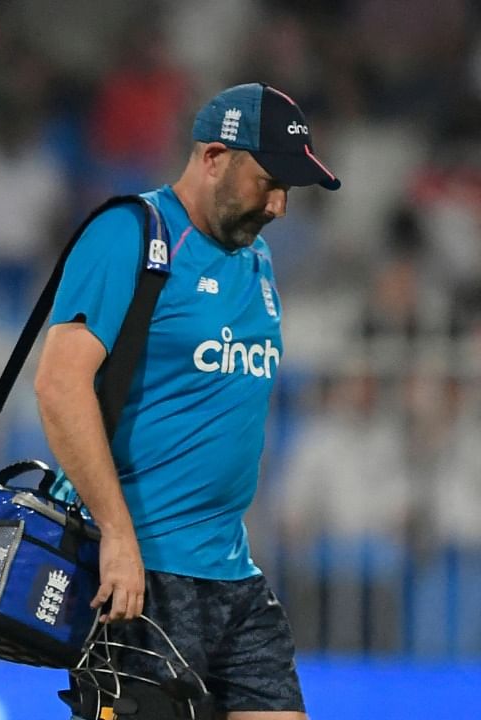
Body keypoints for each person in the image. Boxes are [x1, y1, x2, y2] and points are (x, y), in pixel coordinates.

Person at [34, 83, 340, 719]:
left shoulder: (256, 258)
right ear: (212, 157)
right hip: (141, 576)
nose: (280, 205)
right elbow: (60, 386)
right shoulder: (129, 234)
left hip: (234, 574)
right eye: (268, 181)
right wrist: (117, 537)